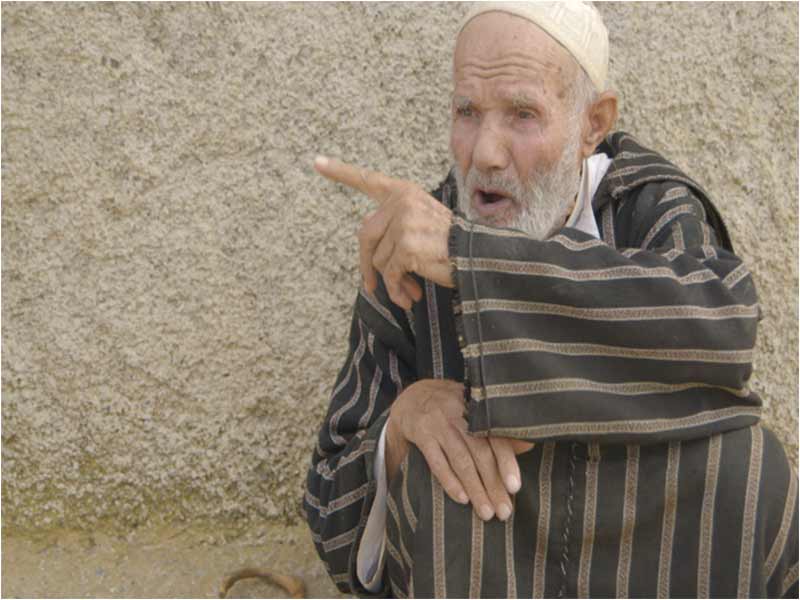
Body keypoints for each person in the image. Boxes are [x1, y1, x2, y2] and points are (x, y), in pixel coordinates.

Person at [303, 2, 798, 597]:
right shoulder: (417, 245)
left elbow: (722, 330)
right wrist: (401, 427)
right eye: (467, 111)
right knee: (440, 477)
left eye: (522, 113)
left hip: (653, 550)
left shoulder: (648, 208)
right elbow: (331, 507)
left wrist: (472, 259)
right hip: (492, 560)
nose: (485, 153)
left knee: (746, 465)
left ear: (593, 123)